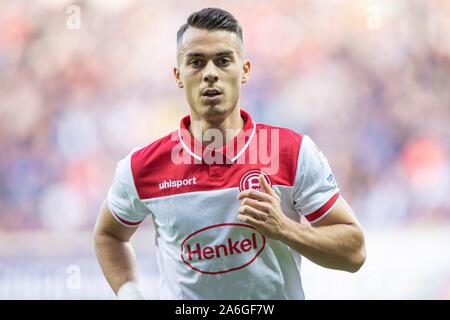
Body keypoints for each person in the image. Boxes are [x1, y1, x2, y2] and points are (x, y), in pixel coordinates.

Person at [94, 7, 366, 300]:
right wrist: (130, 293)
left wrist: (285, 229)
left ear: (244, 70)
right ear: (178, 75)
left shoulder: (292, 152)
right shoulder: (142, 167)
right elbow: (109, 235)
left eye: (223, 61)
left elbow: (354, 252)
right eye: (196, 62)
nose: (210, 74)